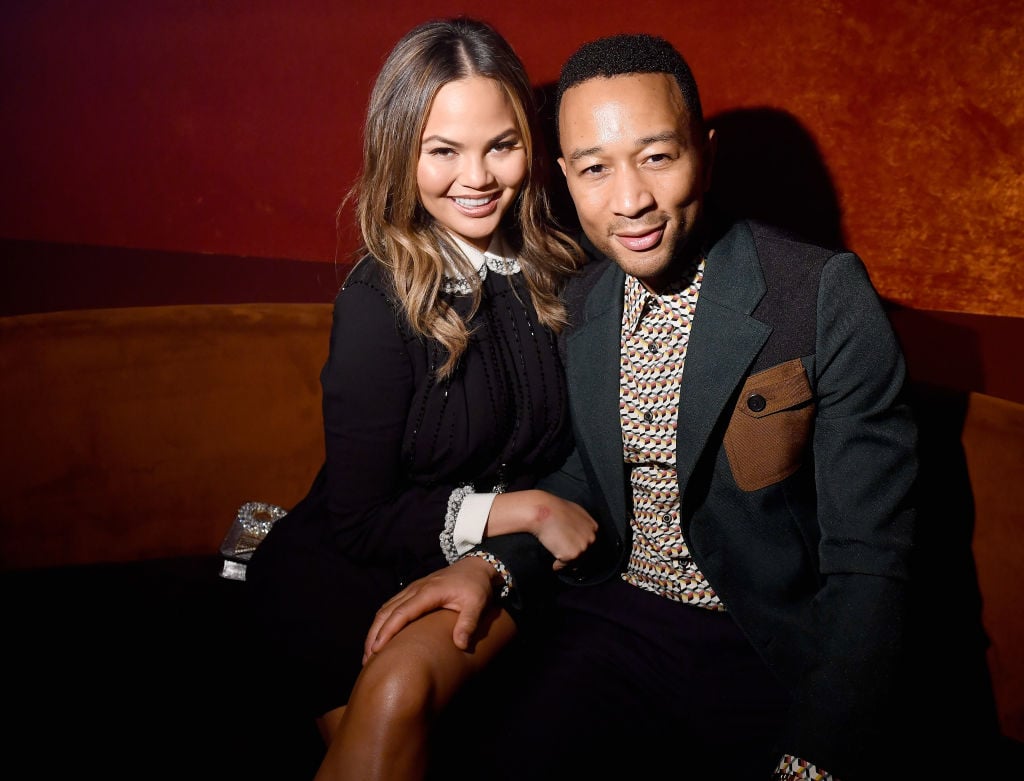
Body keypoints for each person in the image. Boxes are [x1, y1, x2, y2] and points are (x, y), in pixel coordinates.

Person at [365, 32, 922, 781]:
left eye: (658, 157)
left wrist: (822, 752)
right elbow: (580, 479)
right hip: (608, 620)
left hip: (762, 644)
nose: (630, 201)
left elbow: (871, 560)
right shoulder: (582, 297)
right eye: (595, 169)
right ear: (564, 176)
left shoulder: (821, 295)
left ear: (706, 151)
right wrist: (493, 564)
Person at [243, 17, 599, 780]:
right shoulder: (377, 302)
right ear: (401, 154)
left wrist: (513, 538)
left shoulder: (565, 268)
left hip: (491, 569)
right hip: (340, 581)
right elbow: (360, 518)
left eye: (500, 145)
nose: (477, 177)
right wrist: (526, 509)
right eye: (443, 150)